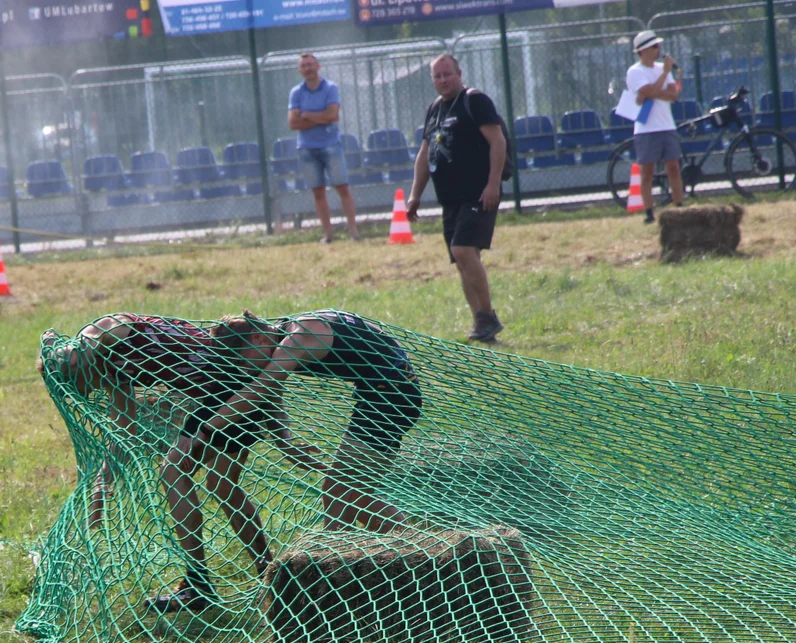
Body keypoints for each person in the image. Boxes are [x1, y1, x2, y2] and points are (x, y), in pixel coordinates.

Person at [37, 314, 326, 613]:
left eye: (84, 384)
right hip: (226, 390)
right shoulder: (113, 370)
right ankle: (270, 575)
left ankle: (200, 585)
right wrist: (103, 481)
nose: (91, 390)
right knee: (223, 485)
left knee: (174, 471)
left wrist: (67, 351)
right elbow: (125, 430)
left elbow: (95, 335)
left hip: (226, 390)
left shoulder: (109, 330)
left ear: (78, 366)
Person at [199, 310, 422, 535]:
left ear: (257, 338)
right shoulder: (283, 333)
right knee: (355, 498)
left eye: (240, 358)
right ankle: (414, 552)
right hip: (381, 394)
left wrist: (205, 429)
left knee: (337, 491)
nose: (243, 368)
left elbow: (260, 389)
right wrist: (285, 443)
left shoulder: (299, 337)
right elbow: (271, 391)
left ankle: (337, 563)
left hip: (391, 396)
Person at [407, 53, 506, 343]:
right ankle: (481, 323)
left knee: (463, 250)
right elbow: (425, 154)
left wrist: (493, 185)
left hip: (478, 193)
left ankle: (487, 315)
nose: (442, 80)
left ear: (459, 73)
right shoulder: (435, 109)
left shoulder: (474, 101)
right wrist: (415, 195)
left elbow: (497, 141)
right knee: (461, 258)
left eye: (447, 74)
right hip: (449, 198)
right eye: (436, 76)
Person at [288, 53, 360, 245]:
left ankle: (353, 231)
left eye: (310, 64)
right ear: (299, 70)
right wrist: (319, 118)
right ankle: (328, 235)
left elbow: (333, 116)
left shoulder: (330, 88)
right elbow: (293, 123)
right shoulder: (296, 92)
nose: (307, 69)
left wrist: (306, 116)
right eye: (303, 66)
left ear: (318, 66)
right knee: (318, 192)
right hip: (306, 149)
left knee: (342, 188)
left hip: (330, 146)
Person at [626, 30, 684, 224]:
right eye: (654, 47)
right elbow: (649, 92)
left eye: (658, 46)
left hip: (667, 126)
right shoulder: (635, 71)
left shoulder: (661, 68)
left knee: (673, 168)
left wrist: (650, 93)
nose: (659, 49)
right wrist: (663, 77)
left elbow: (673, 94)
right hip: (646, 129)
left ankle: (679, 208)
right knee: (647, 172)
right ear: (642, 51)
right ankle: (649, 213)